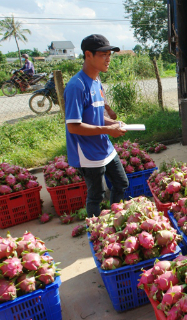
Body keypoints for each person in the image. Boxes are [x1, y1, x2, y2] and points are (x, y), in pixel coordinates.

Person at [64, 34, 129, 218]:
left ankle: (114, 220)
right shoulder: (76, 86)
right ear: (88, 55)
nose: (108, 59)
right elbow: (74, 127)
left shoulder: (96, 81)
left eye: (110, 54)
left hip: (104, 146)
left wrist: (114, 123)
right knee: (96, 195)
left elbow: (97, 115)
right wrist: (109, 129)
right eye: (103, 55)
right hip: (88, 152)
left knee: (121, 183)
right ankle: (96, 231)